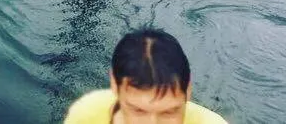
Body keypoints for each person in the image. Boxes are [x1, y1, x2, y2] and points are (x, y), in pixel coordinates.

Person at [63, 28, 228, 124]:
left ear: (189, 89)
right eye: (138, 110)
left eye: (169, 112)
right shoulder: (86, 114)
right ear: (114, 84)